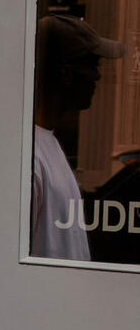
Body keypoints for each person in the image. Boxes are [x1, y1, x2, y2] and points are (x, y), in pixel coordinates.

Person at [31, 14, 124, 260]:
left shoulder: (45, 143)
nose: (97, 76)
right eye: (92, 65)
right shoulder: (30, 156)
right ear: (66, 73)